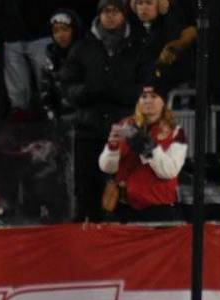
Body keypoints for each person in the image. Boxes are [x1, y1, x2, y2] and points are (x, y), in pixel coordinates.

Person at [59, 0, 143, 221]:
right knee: (86, 191)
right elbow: (67, 86)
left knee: (120, 191)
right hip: (89, 128)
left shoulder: (137, 45)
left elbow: (144, 86)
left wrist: (120, 92)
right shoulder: (82, 47)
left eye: (116, 11)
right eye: (106, 11)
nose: (111, 16)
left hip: (124, 128)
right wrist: (88, 91)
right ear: (99, 14)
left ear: (124, 14)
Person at [98, 78, 187, 222]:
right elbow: (107, 168)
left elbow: (169, 171)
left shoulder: (176, 132)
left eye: (154, 96)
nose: (148, 101)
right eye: (143, 96)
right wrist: (112, 147)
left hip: (159, 210)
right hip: (125, 209)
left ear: (163, 101)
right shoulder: (125, 125)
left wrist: (148, 149)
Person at [40, 8, 82, 122]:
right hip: (62, 123)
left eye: (65, 29)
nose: (60, 35)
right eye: (56, 31)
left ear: (74, 30)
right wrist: (52, 116)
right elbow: (46, 95)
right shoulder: (51, 58)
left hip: (87, 121)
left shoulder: (87, 54)